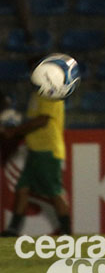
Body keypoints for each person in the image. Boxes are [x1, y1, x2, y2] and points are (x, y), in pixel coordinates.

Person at [0, 84, 71, 236]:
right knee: (23, 189)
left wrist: (15, 131)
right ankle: (13, 229)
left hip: (47, 150)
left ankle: (67, 232)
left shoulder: (51, 93)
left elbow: (42, 120)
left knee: (54, 191)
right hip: (35, 150)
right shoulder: (36, 95)